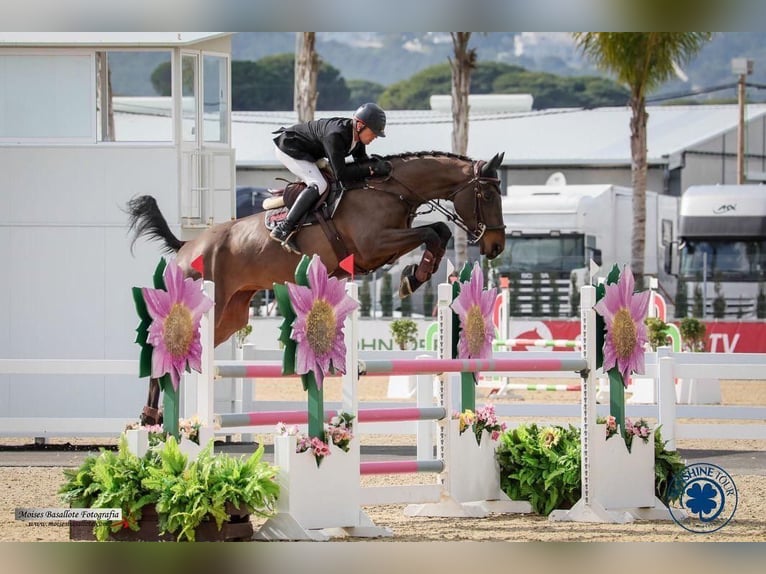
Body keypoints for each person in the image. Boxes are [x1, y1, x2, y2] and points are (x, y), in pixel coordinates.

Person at [269, 102, 389, 253]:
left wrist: (376, 165)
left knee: (326, 182)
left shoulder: (356, 139)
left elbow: (362, 162)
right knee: (319, 184)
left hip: (309, 152)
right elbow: (341, 174)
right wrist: (371, 170)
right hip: (290, 148)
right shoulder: (336, 135)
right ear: (360, 126)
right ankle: (283, 228)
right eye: (373, 133)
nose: (374, 137)